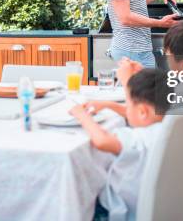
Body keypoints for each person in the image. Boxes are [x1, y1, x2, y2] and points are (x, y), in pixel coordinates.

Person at [69, 65, 170, 221]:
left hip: (121, 210)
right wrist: (107, 105)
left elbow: (101, 141)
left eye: (128, 106)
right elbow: (137, 112)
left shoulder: (137, 139)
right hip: (155, 205)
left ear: (143, 112)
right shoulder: (168, 128)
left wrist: (82, 116)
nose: (126, 110)